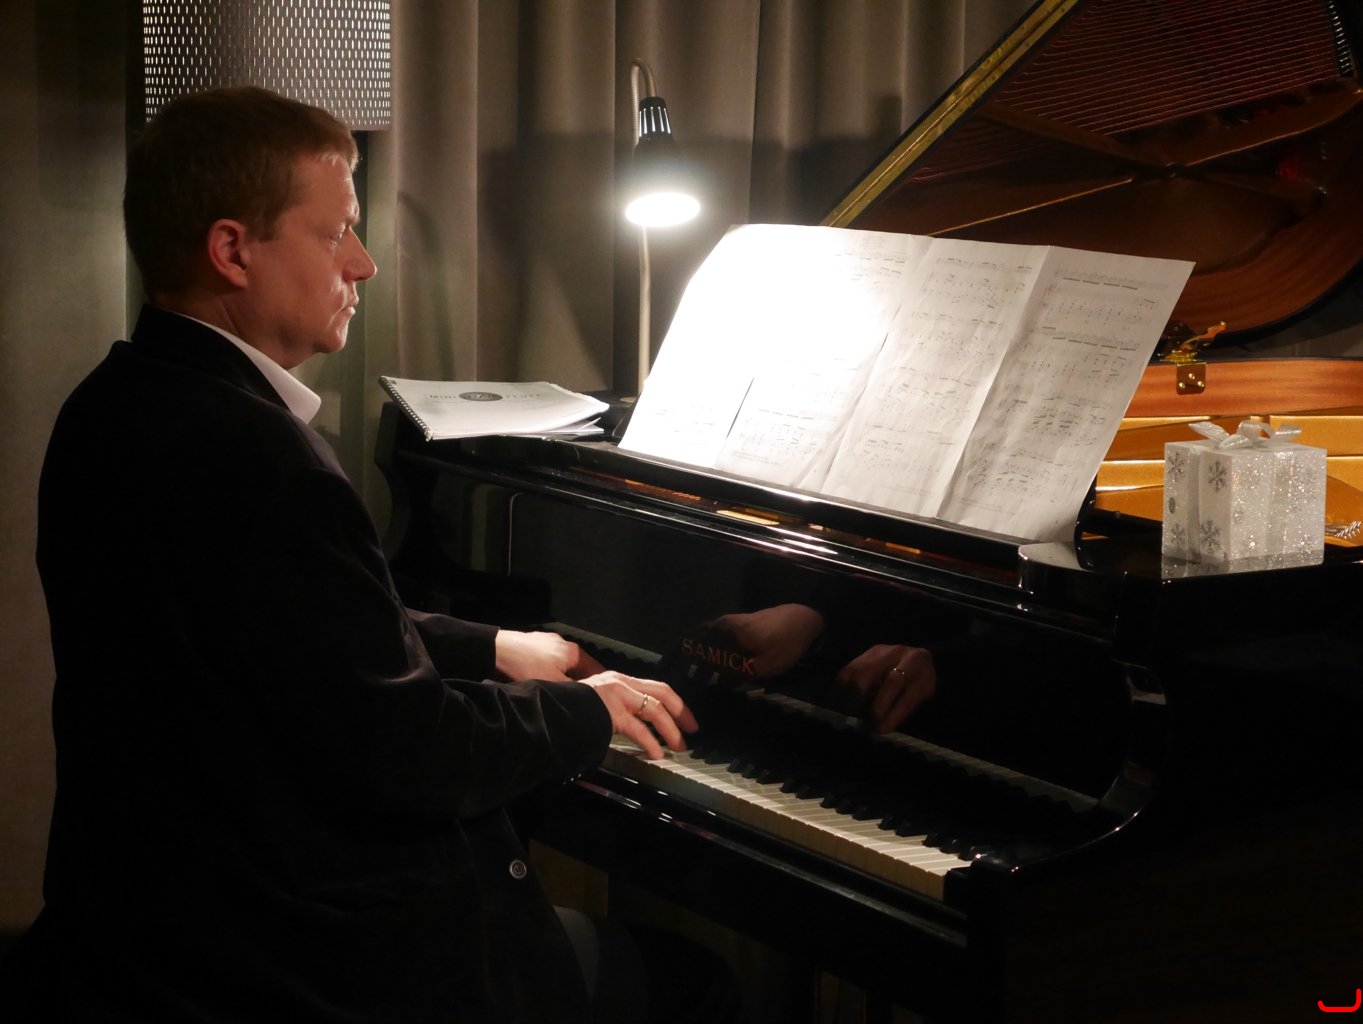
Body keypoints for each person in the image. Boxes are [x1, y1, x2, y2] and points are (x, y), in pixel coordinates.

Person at [0, 86, 704, 1023]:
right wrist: (585, 708)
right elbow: (411, 752)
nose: (363, 263)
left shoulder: (118, 402)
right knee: (687, 985)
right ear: (232, 251)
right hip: (283, 957)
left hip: (155, 919)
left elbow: (296, 632)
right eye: (336, 233)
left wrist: (490, 646)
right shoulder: (258, 458)